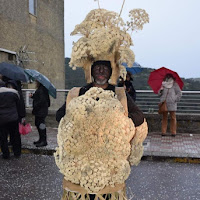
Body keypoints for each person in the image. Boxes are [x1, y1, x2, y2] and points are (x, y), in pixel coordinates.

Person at [56, 61, 144, 127]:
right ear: (91, 72)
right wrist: (78, 116)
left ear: (110, 73)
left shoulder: (119, 93)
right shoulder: (80, 92)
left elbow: (139, 116)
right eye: (97, 68)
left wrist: (118, 118)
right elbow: (59, 115)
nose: (101, 71)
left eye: (105, 69)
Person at [0, 80, 21, 159]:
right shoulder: (13, 92)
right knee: (15, 136)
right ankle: (17, 153)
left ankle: (6, 154)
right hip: (13, 118)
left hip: (2, 119)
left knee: (3, 137)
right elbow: (18, 104)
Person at [30, 81, 50, 147]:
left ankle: (43, 141)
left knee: (41, 125)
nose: (35, 83)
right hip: (40, 111)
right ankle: (41, 139)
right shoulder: (42, 89)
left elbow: (41, 101)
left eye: (36, 82)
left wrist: (35, 107)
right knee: (38, 124)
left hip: (40, 111)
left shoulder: (42, 90)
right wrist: (33, 96)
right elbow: (39, 98)